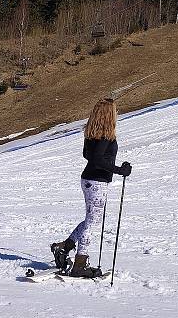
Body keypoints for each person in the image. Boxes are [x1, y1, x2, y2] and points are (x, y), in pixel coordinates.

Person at [51, 97, 131, 278]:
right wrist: (119, 170)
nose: (117, 114)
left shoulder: (92, 133)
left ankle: (64, 247)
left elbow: (88, 155)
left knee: (90, 220)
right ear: (109, 115)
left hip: (89, 179)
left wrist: (113, 165)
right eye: (115, 111)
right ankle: (79, 263)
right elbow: (96, 159)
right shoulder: (105, 135)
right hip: (97, 182)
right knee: (92, 222)